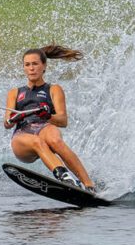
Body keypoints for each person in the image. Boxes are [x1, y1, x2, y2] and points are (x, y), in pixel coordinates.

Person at [5, 44, 95, 189]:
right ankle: (65, 178)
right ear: (24, 68)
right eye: (27, 65)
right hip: (22, 136)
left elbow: (62, 121)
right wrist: (13, 118)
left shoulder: (54, 89)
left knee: (55, 140)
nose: (31, 68)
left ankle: (89, 184)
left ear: (44, 66)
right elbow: (7, 123)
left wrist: (47, 116)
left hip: (43, 126)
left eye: (35, 64)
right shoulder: (14, 93)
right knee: (37, 141)